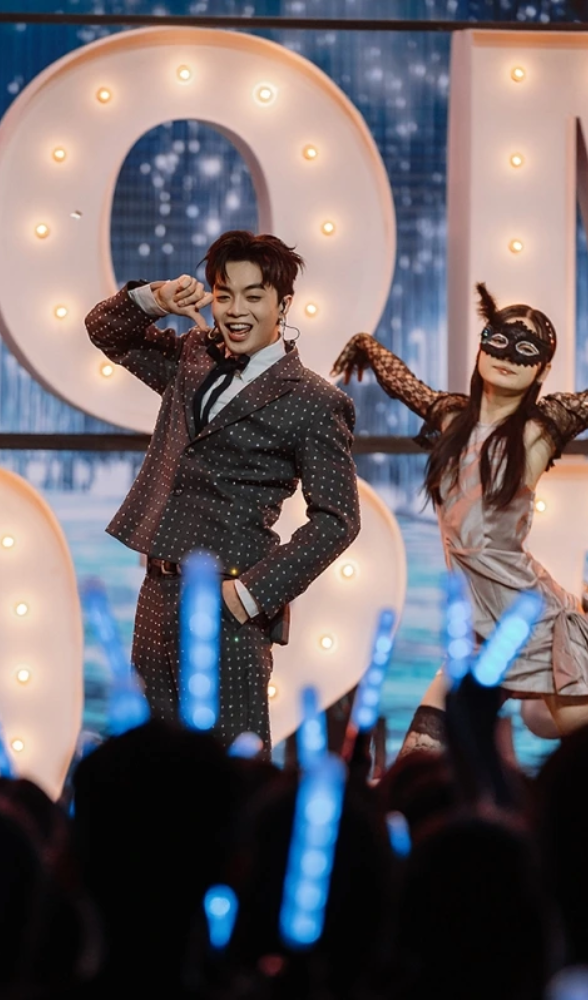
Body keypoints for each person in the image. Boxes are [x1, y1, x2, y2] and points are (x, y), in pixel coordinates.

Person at [332, 284, 588, 752]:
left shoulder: (540, 429)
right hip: (478, 630)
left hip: (533, 625)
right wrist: (365, 344)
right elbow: (403, 383)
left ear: (542, 369)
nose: (508, 356)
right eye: (498, 340)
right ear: (481, 348)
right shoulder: (452, 419)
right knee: (421, 752)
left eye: (526, 349)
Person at [86, 230, 361, 752]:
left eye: (253, 296)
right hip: (158, 590)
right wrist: (156, 298)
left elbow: (338, 520)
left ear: (283, 303)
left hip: (226, 602)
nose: (236, 310)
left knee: (231, 769)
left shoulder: (314, 401)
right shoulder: (192, 356)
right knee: (150, 761)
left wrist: (249, 596)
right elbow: (106, 331)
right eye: (224, 293)